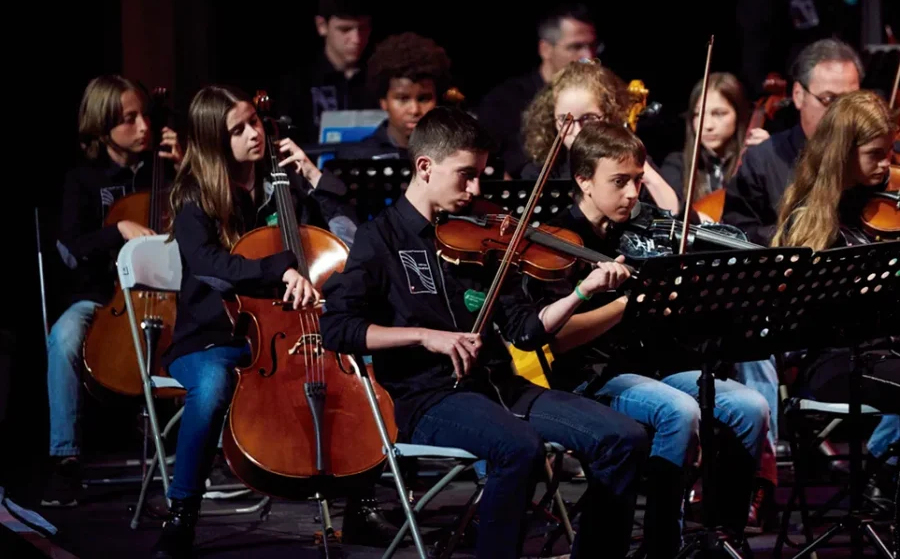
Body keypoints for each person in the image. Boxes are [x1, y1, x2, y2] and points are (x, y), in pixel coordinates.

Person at [319, 106, 650, 559]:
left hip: (499, 388)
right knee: (519, 447)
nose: (476, 190)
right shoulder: (381, 240)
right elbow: (337, 329)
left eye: (480, 176)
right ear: (425, 166)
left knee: (623, 439)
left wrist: (581, 292)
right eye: (466, 175)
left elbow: (526, 331)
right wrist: (424, 336)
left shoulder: (484, 235)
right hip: (427, 397)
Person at [152, 84, 387, 558]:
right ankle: (182, 512)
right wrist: (279, 267)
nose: (253, 134)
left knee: (365, 370)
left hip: (291, 333)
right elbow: (210, 264)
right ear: (214, 140)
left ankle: (361, 508)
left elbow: (349, 238)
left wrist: (314, 177)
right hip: (211, 337)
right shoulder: (195, 195)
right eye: (237, 130)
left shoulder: (283, 182)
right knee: (212, 387)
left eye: (254, 122)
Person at [521, 121, 770, 556]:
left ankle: (723, 534)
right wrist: (625, 304)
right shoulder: (556, 240)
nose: (633, 194)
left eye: (638, 180)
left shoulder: (646, 227)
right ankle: (662, 542)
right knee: (679, 411)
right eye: (619, 182)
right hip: (593, 376)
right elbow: (559, 340)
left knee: (752, 406)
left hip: (658, 366)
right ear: (584, 180)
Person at [43, 75, 183, 508]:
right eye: (129, 119)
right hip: (103, 298)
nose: (143, 127)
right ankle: (64, 457)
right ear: (102, 127)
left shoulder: (166, 168)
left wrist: (186, 166)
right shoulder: (83, 179)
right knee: (64, 337)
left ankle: (207, 447)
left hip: (167, 294)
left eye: (145, 116)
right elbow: (72, 247)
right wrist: (117, 228)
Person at [771, 88, 899, 503]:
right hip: (833, 363)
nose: (887, 163)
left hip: (886, 354)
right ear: (844, 154)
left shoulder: (882, 205)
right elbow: (799, 317)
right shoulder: (810, 222)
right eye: (875, 154)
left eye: (890, 152)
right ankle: (883, 465)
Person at [722, 37, 864, 246]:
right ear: (798, 95)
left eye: (850, 101)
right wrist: (794, 237)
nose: (841, 113)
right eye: (829, 99)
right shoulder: (761, 161)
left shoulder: (870, 155)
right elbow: (736, 234)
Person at [521, 59, 681, 215]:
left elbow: (672, 213)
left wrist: (644, 171)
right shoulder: (540, 171)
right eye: (565, 119)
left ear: (610, 116)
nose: (577, 130)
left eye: (588, 118)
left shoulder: (632, 163)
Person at [478, 2, 598, 179]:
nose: (589, 57)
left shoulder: (600, 97)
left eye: (593, 46)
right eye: (575, 47)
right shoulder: (505, 101)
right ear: (545, 49)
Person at [335, 31, 452, 163]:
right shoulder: (356, 159)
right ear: (383, 101)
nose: (414, 110)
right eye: (403, 99)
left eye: (424, 99)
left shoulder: (454, 155)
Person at [277, 0, 376, 144]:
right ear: (322, 25)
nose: (356, 39)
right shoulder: (299, 82)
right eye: (345, 29)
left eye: (363, 28)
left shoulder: (379, 76)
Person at [659, 72, 750, 221]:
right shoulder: (677, 164)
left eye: (718, 114)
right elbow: (669, 214)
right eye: (697, 114)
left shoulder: (752, 163)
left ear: (738, 114)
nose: (707, 125)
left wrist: (767, 160)